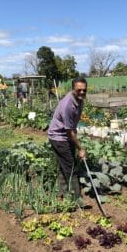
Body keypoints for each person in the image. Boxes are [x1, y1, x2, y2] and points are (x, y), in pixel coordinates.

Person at [47, 77, 88, 208]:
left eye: (84, 90)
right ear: (73, 89)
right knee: (71, 168)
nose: (82, 92)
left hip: (65, 135)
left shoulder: (79, 100)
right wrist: (80, 148)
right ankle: (77, 199)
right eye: (79, 90)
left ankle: (63, 193)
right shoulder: (68, 105)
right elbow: (69, 132)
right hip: (59, 137)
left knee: (64, 166)